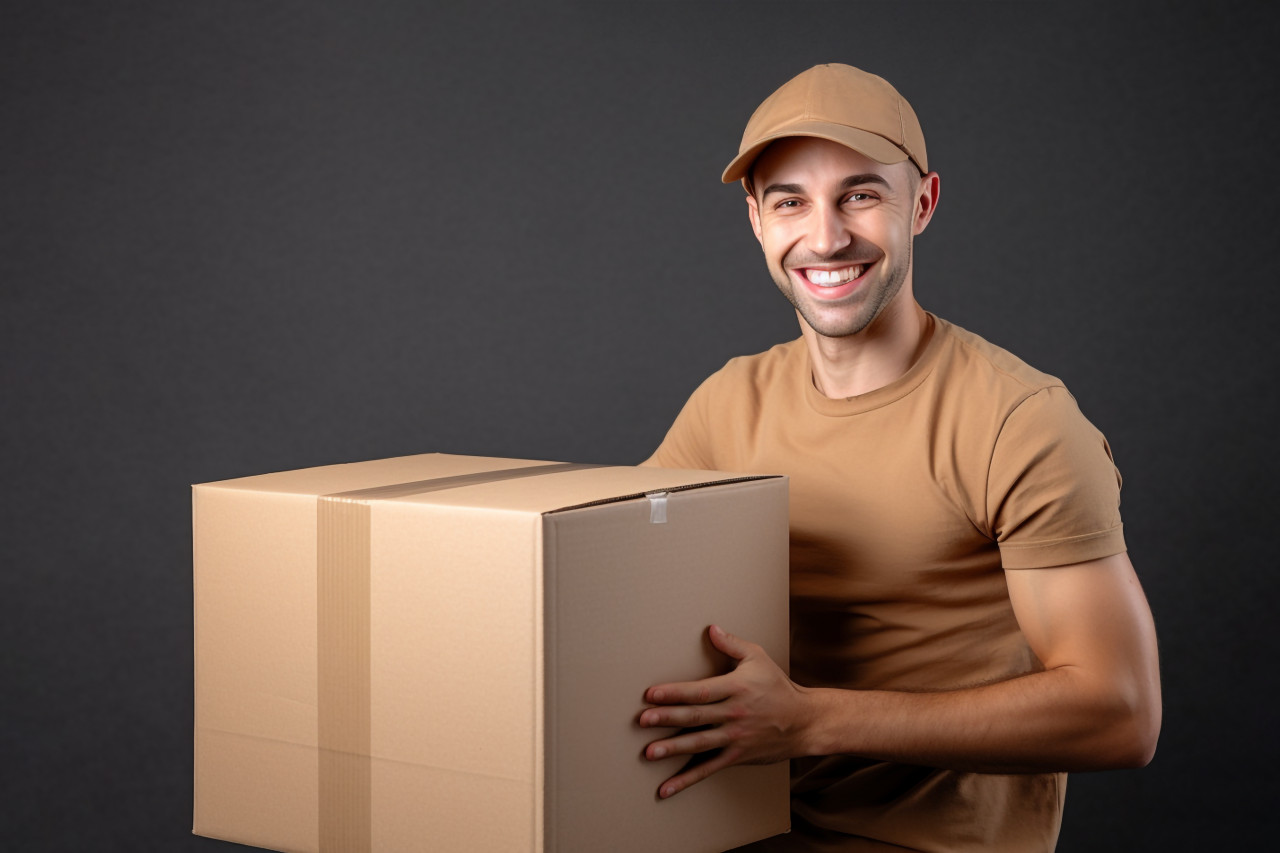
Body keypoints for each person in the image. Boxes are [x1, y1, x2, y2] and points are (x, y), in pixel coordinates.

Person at [637, 63, 1161, 852]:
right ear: (755, 219)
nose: (825, 236)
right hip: (740, 824)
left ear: (922, 202)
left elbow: (1120, 713)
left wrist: (811, 721)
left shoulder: (1019, 421)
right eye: (790, 201)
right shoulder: (727, 403)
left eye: (860, 194)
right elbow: (604, 573)